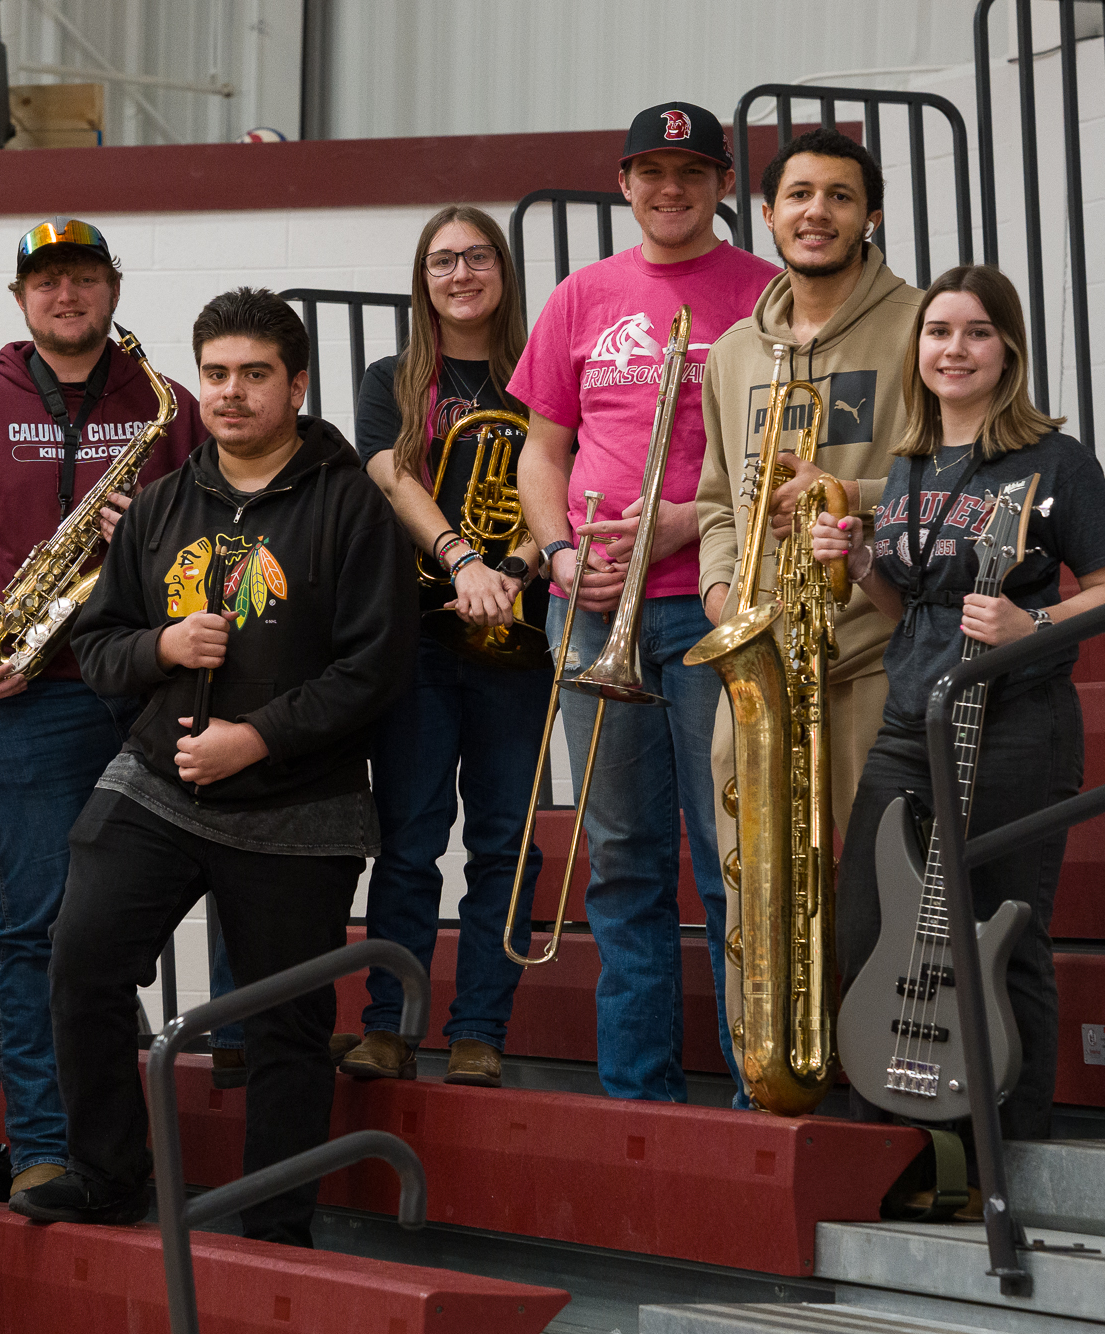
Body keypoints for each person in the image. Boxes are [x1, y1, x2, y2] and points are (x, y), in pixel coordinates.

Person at [19, 287, 414, 1243]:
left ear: (297, 384)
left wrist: (257, 736)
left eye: (254, 375)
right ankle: (110, 1174)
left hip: (297, 798)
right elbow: (101, 643)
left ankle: (276, 1225)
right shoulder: (163, 502)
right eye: (216, 375)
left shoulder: (353, 506)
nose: (230, 394)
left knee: (283, 1020)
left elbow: (377, 669)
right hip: (157, 782)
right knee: (80, 960)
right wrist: (161, 648)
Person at [0, 218, 208, 1198]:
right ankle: (43, 1147)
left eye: (82, 276)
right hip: (24, 703)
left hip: (151, 691)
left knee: (121, 927)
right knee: (28, 927)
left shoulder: (168, 408)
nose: (66, 295)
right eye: (46, 281)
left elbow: (225, 539)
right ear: (20, 299)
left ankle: (111, 1139)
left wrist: (153, 535)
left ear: (112, 286)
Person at [810, 264, 1105, 1141]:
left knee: (1002, 936)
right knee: (868, 934)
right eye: (939, 331)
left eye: (977, 332)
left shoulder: (1055, 460)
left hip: (1015, 731)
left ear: (1008, 350)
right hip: (910, 726)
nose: (954, 348)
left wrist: (1034, 619)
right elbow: (908, 609)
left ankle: (1012, 1150)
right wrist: (862, 562)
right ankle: (889, 1141)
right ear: (917, 350)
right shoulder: (912, 463)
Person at [508, 104, 778, 1104]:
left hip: (715, 602)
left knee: (730, 852)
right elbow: (542, 451)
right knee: (619, 858)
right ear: (623, 183)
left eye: (691, 171)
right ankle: (639, 1094)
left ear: (719, 186)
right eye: (650, 171)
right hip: (589, 610)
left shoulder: (765, 293)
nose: (670, 189)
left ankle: (760, 1083)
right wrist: (557, 552)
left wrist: (680, 524)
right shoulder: (581, 297)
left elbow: (783, 453)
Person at [694, 126, 924, 1091]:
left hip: (870, 650)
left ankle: (882, 1086)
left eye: (838, 195)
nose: (815, 212)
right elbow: (712, 499)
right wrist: (716, 592)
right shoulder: (735, 350)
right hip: (760, 657)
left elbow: (945, 479)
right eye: (797, 195)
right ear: (770, 211)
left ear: (870, 214)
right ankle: (775, 1079)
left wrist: (843, 494)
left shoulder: (920, 326)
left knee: (870, 886)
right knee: (757, 888)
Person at [335, 205, 548, 1089]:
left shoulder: (545, 371)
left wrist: (521, 565)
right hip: (420, 638)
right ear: (423, 280)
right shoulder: (393, 377)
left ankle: (480, 1029)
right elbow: (391, 474)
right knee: (412, 837)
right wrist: (464, 561)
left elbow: (573, 481)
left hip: (520, 636)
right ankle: (390, 1023)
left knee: (508, 842)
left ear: (503, 268)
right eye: (442, 261)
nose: (461, 274)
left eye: (477, 257)